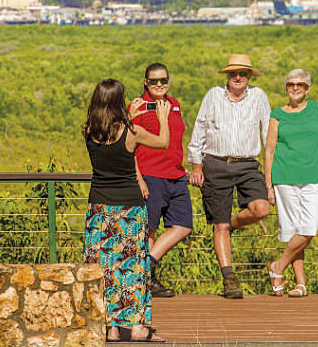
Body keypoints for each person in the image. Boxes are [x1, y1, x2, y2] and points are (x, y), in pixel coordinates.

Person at [83, 78, 169, 343]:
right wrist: (161, 116)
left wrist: (130, 115)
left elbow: (109, 134)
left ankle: (110, 327)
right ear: (120, 102)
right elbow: (163, 142)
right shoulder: (132, 132)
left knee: (104, 269)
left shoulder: (87, 130)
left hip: (99, 208)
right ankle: (136, 328)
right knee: (131, 270)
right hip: (129, 208)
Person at [188, 53, 271, 299]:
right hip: (215, 163)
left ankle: (232, 224)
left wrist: (271, 173)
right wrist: (195, 165)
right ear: (227, 75)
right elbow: (199, 128)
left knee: (261, 209)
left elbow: (268, 134)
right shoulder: (213, 95)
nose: (237, 77)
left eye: (242, 73)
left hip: (248, 165)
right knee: (219, 224)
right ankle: (229, 277)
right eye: (233, 73)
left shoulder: (259, 96)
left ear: (248, 76)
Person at [264, 69, 318, 297]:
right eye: (290, 84)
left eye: (299, 84)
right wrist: (268, 185)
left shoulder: (317, 109)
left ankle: (278, 266)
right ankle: (300, 284)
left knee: (308, 228)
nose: (294, 88)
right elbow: (269, 151)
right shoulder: (276, 115)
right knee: (294, 232)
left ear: (308, 88)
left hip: (313, 177)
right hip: (284, 179)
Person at [132, 63, 193, 298]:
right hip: (151, 175)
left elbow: (175, 140)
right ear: (146, 82)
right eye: (154, 81)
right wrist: (138, 178)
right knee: (149, 230)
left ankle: (146, 269)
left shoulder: (174, 104)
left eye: (163, 80)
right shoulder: (138, 107)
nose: (159, 84)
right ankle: (148, 282)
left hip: (177, 175)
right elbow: (129, 144)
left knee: (183, 225)